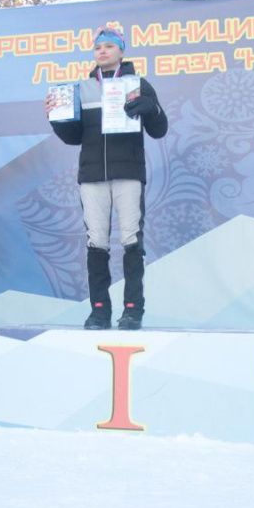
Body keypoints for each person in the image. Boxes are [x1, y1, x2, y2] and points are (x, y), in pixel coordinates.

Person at [45, 24, 168, 330]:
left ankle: (132, 310)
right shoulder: (82, 88)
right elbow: (74, 137)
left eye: (109, 46)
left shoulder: (138, 84)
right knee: (96, 242)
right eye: (98, 47)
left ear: (121, 51)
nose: (102, 51)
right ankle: (99, 310)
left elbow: (159, 129)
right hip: (92, 176)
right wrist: (56, 118)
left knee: (131, 240)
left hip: (128, 172)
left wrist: (151, 109)